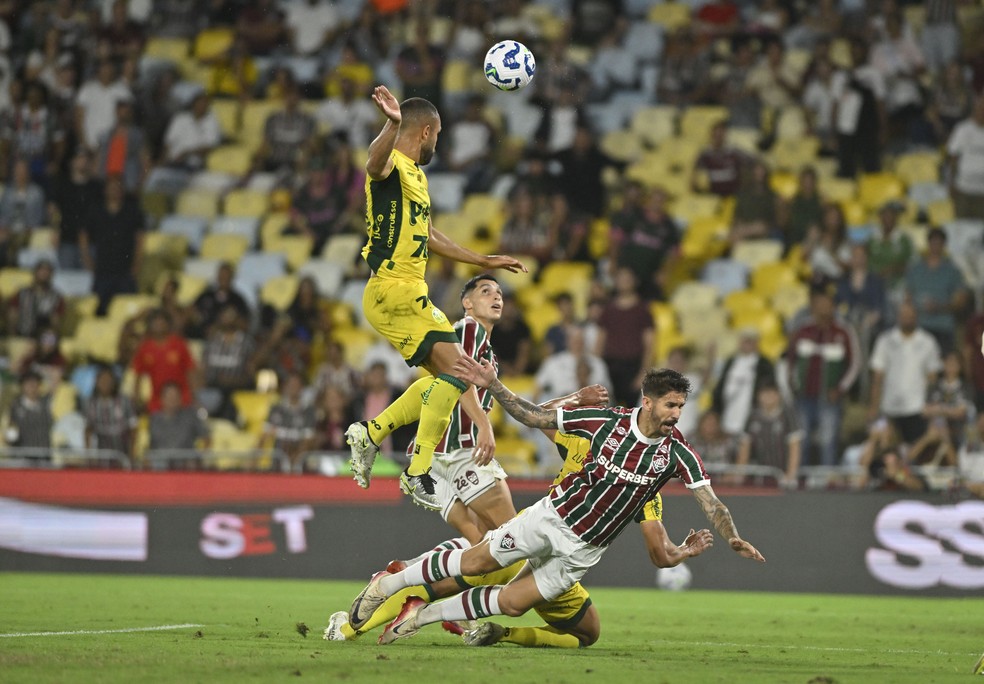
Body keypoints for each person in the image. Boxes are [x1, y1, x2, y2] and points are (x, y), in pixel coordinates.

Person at [350, 364, 764, 645]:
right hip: (550, 519)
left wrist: (732, 537)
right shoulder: (605, 422)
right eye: (671, 404)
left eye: (681, 406)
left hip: (583, 552)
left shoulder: (676, 454)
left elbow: (712, 503)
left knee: (513, 604)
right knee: (477, 562)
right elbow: (532, 417)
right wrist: (493, 384)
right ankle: (386, 584)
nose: (677, 414)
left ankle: (420, 617)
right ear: (649, 401)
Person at [343, 86, 526, 509]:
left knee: (441, 379)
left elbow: (426, 234)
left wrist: (481, 258)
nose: (438, 144)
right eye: (438, 136)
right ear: (426, 131)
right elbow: (372, 163)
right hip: (396, 289)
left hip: (399, 293)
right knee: (461, 369)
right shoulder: (392, 166)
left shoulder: (416, 178)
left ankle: (370, 433)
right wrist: (390, 124)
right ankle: (417, 469)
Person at [786, 283, 861, 466]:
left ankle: (827, 481)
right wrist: (792, 385)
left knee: (828, 441)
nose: (823, 308)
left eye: (826, 304)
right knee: (801, 440)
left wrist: (841, 389)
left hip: (830, 397)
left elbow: (855, 364)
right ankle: (799, 480)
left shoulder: (843, 331)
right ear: (813, 306)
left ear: (833, 307)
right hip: (804, 396)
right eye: (819, 304)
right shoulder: (803, 330)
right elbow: (790, 361)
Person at [868, 300, 942, 446]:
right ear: (898, 316)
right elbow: (877, 377)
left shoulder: (928, 342)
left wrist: (931, 405)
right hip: (889, 407)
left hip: (917, 408)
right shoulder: (885, 340)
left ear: (917, 316)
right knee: (889, 452)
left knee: (915, 453)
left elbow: (933, 378)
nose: (907, 318)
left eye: (911, 315)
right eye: (904, 314)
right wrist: (873, 407)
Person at [79, 175, 145, 315]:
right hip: (102, 271)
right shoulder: (96, 210)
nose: (114, 191)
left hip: (125, 272)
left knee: (127, 310)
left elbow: (140, 239)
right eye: (111, 188)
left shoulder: (132, 211)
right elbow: (83, 235)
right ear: (105, 190)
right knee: (99, 311)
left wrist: (136, 266)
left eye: (118, 188)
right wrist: (87, 260)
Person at [594, 267, 655, 408]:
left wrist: (643, 373)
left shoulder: (643, 310)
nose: (624, 282)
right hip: (610, 365)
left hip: (632, 366)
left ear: (634, 282)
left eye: (627, 278)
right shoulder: (608, 310)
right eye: (620, 278)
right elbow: (600, 341)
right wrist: (597, 368)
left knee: (632, 413)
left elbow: (649, 345)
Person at [903, 226, 968, 353]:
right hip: (919, 327)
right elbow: (907, 298)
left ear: (944, 245)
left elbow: (960, 301)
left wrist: (940, 307)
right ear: (928, 244)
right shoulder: (916, 269)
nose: (935, 246)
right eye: (933, 242)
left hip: (943, 327)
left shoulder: (952, 271)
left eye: (939, 243)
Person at [711, 327, 776, 438]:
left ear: (757, 343)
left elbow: (769, 389)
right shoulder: (731, 361)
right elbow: (720, 387)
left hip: (752, 417)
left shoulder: (764, 364)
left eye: (751, 340)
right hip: (728, 416)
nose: (747, 343)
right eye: (745, 340)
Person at [736, 381, 803, 487]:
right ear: (758, 396)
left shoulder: (787, 416)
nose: (769, 397)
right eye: (765, 394)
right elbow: (745, 446)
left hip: (782, 475)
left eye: (772, 394)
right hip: (760, 475)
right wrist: (739, 473)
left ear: (779, 396)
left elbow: (795, 446)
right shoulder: (753, 417)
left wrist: (791, 474)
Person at [131, 309, 196, 414]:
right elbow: (138, 376)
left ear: (167, 324)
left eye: (161, 322)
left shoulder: (179, 344)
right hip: (157, 401)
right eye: (155, 322)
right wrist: (136, 397)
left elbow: (191, 371)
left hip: (183, 398)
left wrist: (194, 396)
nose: (158, 325)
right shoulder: (144, 348)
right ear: (150, 325)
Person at [48, 148, 100, 269]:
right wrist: (55, 230)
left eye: (85, 159)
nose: (82, 162)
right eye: (79, 158)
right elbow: (53, 209)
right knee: (66, 279)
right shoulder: (63, 185)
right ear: (72, 162)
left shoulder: (96, 187)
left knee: (88, 281)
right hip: (67, 239)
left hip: (91, 240)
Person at [261, 370, 317, 473]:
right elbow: (264, 436)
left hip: (299, 465)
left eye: (296, 385)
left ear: (302, 388)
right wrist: (253, 459)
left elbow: (308, 440)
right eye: (291, 384)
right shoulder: (276, 409)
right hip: (278, 462)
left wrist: (295, 461)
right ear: (285, 386)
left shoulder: (309, 411)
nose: (293, 388)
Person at [148, 381, 211, 468]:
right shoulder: (155, 419)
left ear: (180, 398)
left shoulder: (190, 415)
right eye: (169, 396)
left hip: (186, 462)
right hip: (161, 463)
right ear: (162, 399)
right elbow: (152, 446)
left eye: (175, 396)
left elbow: (206, 437)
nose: (172, 400)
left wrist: (201, 458)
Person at [85, 366, 137, 460]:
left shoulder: (124, 402)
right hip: (101, 454)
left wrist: (132, 453)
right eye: (102, 380)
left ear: (114, 383)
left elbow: (133, 428)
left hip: (122, 452)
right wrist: (89, 456)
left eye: (108, 381)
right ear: (97, 382)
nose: (105, 384)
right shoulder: (92, 404)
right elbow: (88, 430)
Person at [7, 259, 64, 339]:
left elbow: (55, 321)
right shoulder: (21, 293)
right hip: (22, 335)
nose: (44, 273)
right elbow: (12, 316)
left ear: (51, 275)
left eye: (47, 271)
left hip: (43, 340)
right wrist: (13, 337)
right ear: (35, 272)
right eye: (41, 270)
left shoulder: (56, 297)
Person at [4, 370, 53, 451]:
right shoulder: (15, 407)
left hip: (44, 455)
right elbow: (10, 432)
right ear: (22, 385)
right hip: (23, 456)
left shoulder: (46, 404)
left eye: (34, 383)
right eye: (28, 383)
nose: (31, 386)